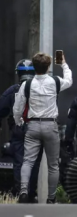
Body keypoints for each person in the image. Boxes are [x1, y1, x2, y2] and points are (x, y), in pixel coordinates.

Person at [12, 52, 73, 204]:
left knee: (27, 161)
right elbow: (69, 80)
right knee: (53, 165)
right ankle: (51, 198)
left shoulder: (27, 84)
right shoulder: (55, 82)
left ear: (34, 66)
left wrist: (18, 120)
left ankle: (24, 190)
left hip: (32, 126)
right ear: (48, 66)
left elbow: (18, 106)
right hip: (50, 125)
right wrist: (63, 64)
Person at [0, 59, 42, 201]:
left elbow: (1, 110)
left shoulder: (12, 91)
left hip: (19, 133)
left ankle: (21, 195)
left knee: (20, 163)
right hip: (37, 132)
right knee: (34, 164)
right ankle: (30, 194)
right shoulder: (43, 90)